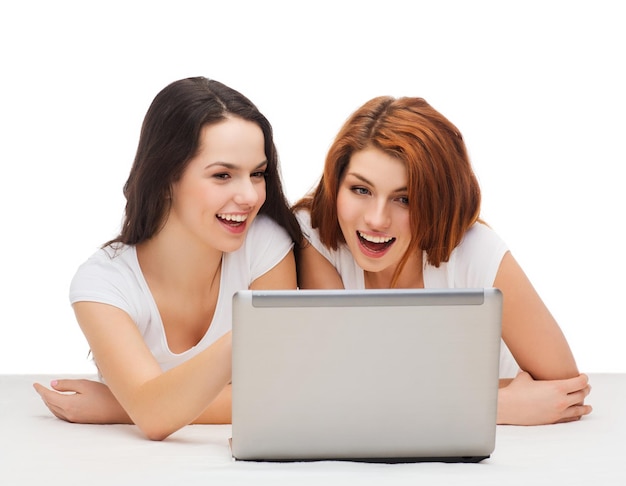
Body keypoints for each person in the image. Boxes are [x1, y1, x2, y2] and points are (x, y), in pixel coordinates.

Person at [293, 95, 592, 426]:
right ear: (337, 184)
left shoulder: (475, 251)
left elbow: (566, 391)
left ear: (437, 201)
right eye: (361, 190)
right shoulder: (313, 236)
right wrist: (492, 406)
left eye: (404, 199)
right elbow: (342, 388)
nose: (377, 219)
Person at [34, 76, 301, 440]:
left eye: (257, 174)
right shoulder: (103, 285)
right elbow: (156, 416)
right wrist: (255, 330)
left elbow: (281, 393)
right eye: (222, 175)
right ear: (166, 177)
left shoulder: (264, 246)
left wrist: (119, 406)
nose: (250, 196)